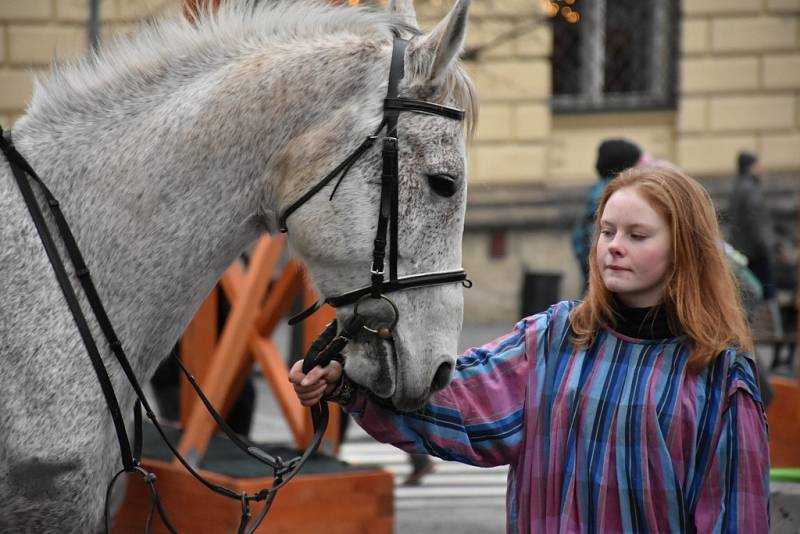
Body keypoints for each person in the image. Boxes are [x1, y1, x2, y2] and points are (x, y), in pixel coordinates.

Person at [291, 165, 770, 532]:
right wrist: (355, 379)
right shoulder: (556, 337)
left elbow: (735, 516)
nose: (613, 247)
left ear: (683, 249)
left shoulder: (718, 379)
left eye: (636, 235)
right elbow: (461, 399)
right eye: (607, 231)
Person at [572, 138, 650, 289]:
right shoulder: (612, 197)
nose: (614, 245)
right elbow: (587, 243)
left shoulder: (596, 192)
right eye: (607, 232)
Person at [727, 151, 783, 343]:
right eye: (758, 164)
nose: (762, 168)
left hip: (742, 251)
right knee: (765, 294)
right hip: (756, 253)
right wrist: (769, 247)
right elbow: (757, 223)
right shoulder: (751, 190)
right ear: (751, 166)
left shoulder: (737, 187)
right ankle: (773, 336)